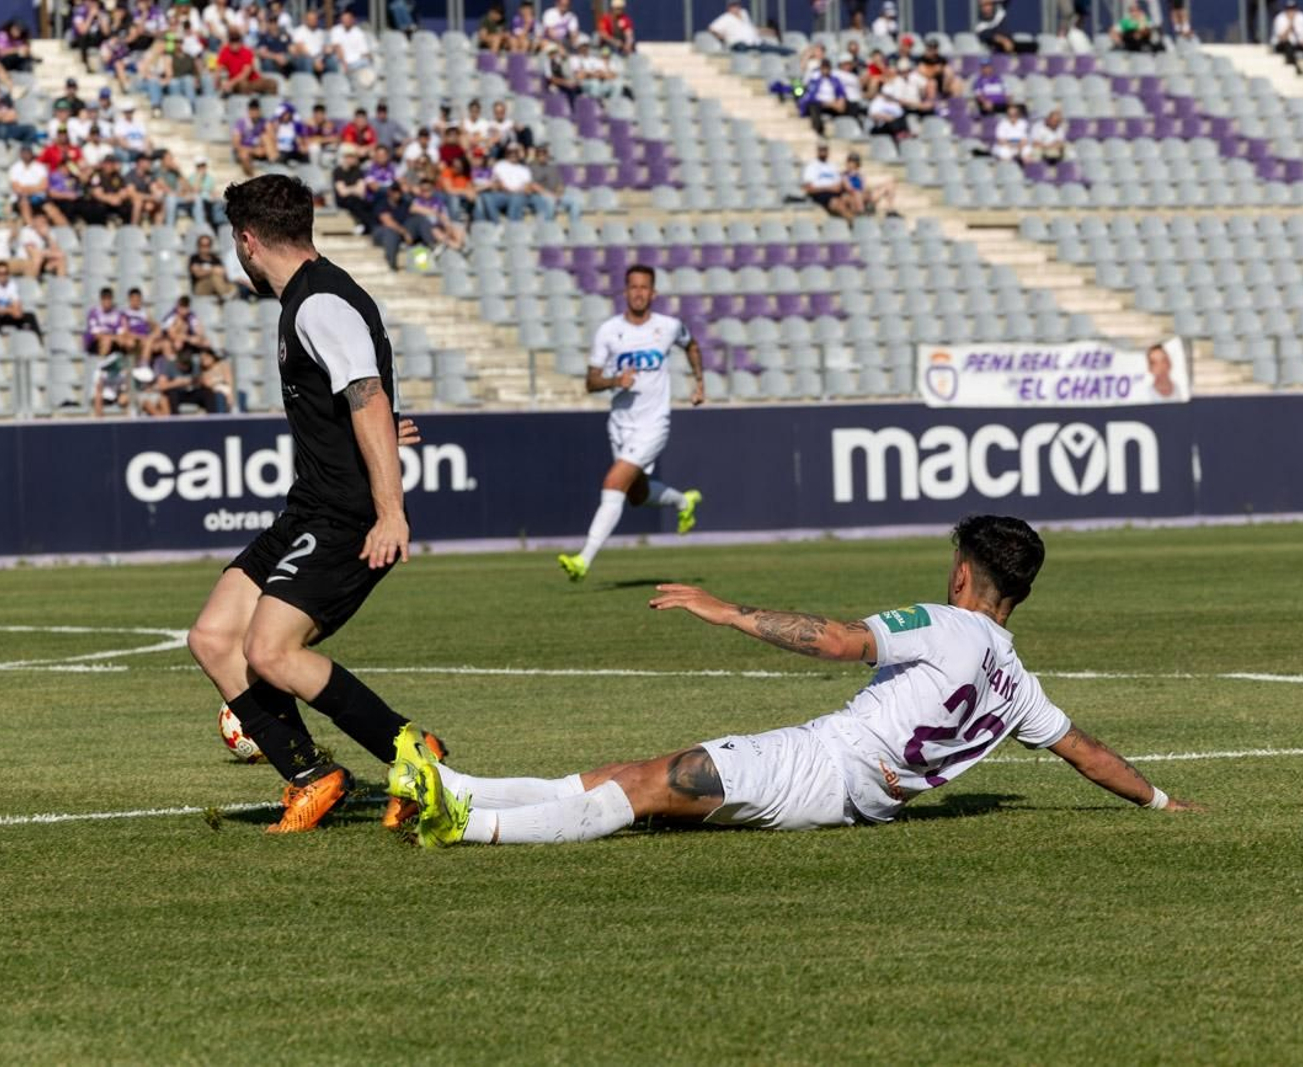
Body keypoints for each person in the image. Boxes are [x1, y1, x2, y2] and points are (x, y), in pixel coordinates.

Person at [399, 516, 1199, 847]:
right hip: (851, 788)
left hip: (825, 764)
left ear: (962, 574)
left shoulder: (946, 620)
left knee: (654, 782)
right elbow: (1085, 751)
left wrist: (727, 611)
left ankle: (461, 826)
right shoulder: (1017, 682)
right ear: (1017, 594)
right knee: (626, 774)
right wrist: (1162, 800)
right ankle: (454, 782)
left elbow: (842, 640)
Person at [185, 174, 444, 834]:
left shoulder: (318, 304)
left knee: (271, 650)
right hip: (308, 508)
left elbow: (368, 396)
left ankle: (417, 756)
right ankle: (313, 774)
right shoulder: (303, 300)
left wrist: (391, 510)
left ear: (247, 241)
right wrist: (380, 433)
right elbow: (360, 402)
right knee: (214, 637)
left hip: (346, 516)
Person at [557, 265, 704, 582]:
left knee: (613, 483)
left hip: (654, 423)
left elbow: (691, 345)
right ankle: (683, 501)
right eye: (633, 287)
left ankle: (583, 559)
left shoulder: (668, 326)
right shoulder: (609, 331)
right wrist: (614, 380)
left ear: (654, 293)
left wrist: (699, 383)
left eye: (644, 287)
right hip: (621, 424)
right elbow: (591, 382)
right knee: (636, 495)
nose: (638, 292)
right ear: (625, 292)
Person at [0, 261, 40, 333]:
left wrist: (15, 311)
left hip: (4, 315)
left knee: (29, 316)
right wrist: (10, 310)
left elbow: (17, 305)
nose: (2, 276)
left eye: (5, 273)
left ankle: (38, 340)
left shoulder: (12, 284)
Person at [801, 141, 854, 220]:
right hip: (821, 193)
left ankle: (860, 219)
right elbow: (809, 189)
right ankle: (855, 224)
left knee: (852, 199)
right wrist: (829, 188)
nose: (823, 151)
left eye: (825, 149)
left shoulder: (832, 166)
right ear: (818, 151)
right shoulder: (811, 166)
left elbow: (838, 183)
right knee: (839, 204)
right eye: (821, 149)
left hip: (835, 192)